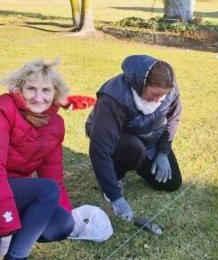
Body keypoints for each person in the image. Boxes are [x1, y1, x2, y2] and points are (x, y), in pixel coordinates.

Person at [85, 55, 182, 221]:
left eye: (163, 95)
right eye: (155, 94)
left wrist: (163, 153)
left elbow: (174, 117)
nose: (159, 99)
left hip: (149, 139)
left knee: (171, 183)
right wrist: (116, 198)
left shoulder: (170, 89)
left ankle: (138, 161)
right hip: (121, 140)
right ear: (141, 84)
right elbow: (100, 150)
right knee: (133, 148)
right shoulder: (113, 97)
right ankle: (115, 177)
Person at [0, 58, 74, 260]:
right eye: (31, 89)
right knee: (46, 190)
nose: (38, 97)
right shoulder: (4, 110)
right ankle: (15, 256)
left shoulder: (55, 124)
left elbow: (54, 176)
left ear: (55, 93)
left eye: (46, 90)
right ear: (19, 89)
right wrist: (6, 226)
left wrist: (67, 212)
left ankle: (13, 236)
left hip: (12, 190)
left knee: (61, 223)